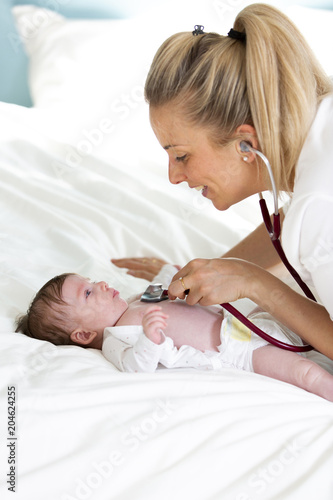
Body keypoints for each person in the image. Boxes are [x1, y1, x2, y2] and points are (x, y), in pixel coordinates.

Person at [112, 4, 333, 360]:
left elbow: (314, 220)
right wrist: (208, 272)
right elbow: (292, 223)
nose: (173, 176)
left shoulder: (320, 204)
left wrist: (255, 283)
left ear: (246, 142)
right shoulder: (322, 129)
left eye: (181, 155)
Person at [15, 268, 333, 402]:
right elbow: (135, 365)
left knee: (309, 314)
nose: (99, 284)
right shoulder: (117, 336)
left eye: (91, 280)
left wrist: (173, 271)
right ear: (84, 334)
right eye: (87, 293)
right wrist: (148, 340)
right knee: (306, 373)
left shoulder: (136, 301)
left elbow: (166, 284)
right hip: (239, 351)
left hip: (246, 323)